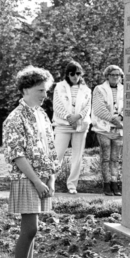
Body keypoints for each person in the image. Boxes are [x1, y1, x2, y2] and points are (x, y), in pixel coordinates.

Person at [3, 66, 56, 258]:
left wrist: (50, 178)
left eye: (46, 90)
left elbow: (50, 147)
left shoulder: (41, 115)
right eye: (40, 90)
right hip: (27, 177)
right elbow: (17, 155)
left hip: (43, 177)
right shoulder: (15, 118)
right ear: (26, 90)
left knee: (33, 230)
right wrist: (36, 180)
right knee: (30, 228)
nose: (45, 95)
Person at [53, 61, 91, 194]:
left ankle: (72, 185)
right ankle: (51, 182)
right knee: (57, 154)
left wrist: (77, 118)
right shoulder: (59, 87)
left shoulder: (86, 89)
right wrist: (70, 119)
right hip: (63, 125)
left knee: (77, 156)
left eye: (78, 73)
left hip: (80, 126)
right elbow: (57, 106)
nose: (75, 76)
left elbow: (87, 108)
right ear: (67, 74)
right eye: (72, 74)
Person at [91, 65, 124, 196]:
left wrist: (121, 118)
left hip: (119, 128)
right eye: (112, 75)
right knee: (106, 157)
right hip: (104, 128)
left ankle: (115, 183)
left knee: (115, 158)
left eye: (118, 75)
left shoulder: (125, 89)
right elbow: (99, 109)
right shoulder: (99, 89)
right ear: (107, 76)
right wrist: (113, 119)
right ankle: (107, 184)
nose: (115, 77)